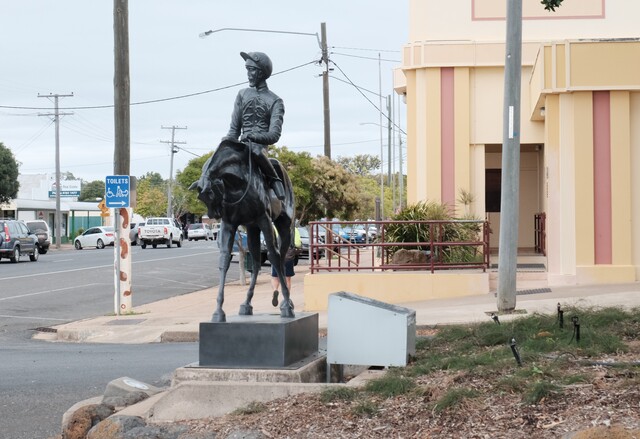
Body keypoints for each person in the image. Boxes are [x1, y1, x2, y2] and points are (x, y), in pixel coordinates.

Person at [223, 51, 286, 200]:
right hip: (241, 146)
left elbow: (274, 135)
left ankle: (274, 179)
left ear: (261, 72)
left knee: (255, 150)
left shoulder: (275, 101)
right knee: (221, 151)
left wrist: (253, 136)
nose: (248, 74)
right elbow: (234, 129)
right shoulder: (242, 94)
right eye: (247, 69)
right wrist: (228, 143)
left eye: (251, 70)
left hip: (259, 148)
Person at [271, 226, 301, 307]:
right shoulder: (293, 229)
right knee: (287, 279)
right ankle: (286, 298)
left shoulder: (274, 227)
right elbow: (298, 243)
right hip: (288, 257)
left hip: (276, 256)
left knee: (275, 277)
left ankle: (275, 290)